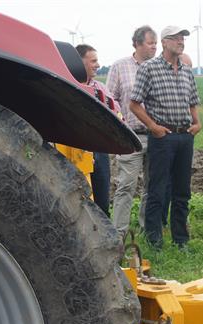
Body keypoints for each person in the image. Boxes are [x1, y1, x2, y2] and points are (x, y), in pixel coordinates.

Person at [129, 26, 201, 250]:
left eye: (183, 38)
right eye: (176, 38)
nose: (181, 42)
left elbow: (193, 101)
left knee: (182, 191)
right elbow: (134, 104)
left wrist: (197, 123)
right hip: (163, 137)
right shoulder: (149, 68)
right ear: (164, 42)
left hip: (185, 136)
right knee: (157, 190)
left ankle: (181, 240)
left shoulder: (187, 71)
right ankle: (155, 241)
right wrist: (153, 127)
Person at [107, 26, 158, 233]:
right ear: (137, 44)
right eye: (150, 43)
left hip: (156, 136)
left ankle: (149, 230)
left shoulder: (159, 67)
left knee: (152, 186)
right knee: (126, 185)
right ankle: (118, 233)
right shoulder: (120, 67)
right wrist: (119, 129)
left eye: (156, 43)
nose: (154, 47)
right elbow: (110, 100)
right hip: (131, 136)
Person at [76, 44, 120, 217]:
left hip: (99, 149)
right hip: (75, 150)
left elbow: (116, 113)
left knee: (102, 199)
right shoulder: (66, 84)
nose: (98, 65)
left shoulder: (100, 88)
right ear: (80, 62)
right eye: (93, 61)